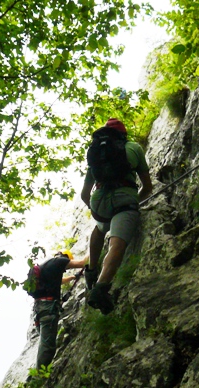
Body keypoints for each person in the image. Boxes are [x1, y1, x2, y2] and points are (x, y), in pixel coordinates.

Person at [80, 118, 153, 314]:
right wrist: (133, 202)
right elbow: (147, 187)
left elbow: (84, 195)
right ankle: (101, 288)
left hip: (99, 203)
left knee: (100, 227)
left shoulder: (99, 153)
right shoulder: (133, 148)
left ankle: (91, 270)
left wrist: (97, 211)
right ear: (123, 134)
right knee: (117, 245)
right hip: (124, 200)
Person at [28, 250, 88, 369]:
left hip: (39, 309)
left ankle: (38, 374)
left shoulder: (47, 266)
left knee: (45, 343)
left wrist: (72, 277)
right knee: (48, 346)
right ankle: (39, 376)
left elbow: (58, 281)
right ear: (66, 258)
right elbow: (83, 263)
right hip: (48, 309)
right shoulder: (60, 261)